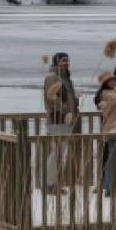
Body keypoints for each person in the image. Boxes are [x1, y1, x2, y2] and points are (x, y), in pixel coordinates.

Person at [43, 52, 79, 193]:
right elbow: (51, 98)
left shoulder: (64, 77)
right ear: (56, 62)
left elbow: (65, 96)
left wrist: (74, 102)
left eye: (67, 61)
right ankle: (50, 184)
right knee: (56, 153)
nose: (66, 63)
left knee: (59, 152)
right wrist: (65, 110)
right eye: (63, 61)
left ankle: (53, 182)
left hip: (65, 120)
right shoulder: (53, 77)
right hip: (58, 120)